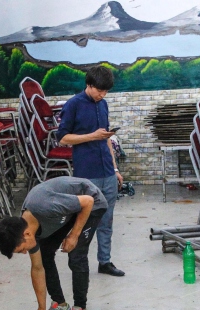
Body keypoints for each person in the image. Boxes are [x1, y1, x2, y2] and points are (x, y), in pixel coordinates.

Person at [0, 177, 107, 310]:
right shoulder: (27, 229)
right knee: (45, 254)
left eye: (22, 250)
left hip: (91, 202)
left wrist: (74, 235)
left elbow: (87, 201)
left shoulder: (45, 207)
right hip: (69, 209)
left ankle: (80, 309)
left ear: (27, 234)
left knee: (76, 255)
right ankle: (60, 306)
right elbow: (37, 268)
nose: (25, 252)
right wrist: (41, 308)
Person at [56, 65, 125, 277]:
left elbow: (106, 139)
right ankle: (78, 264)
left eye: (106, 91)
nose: (102, 95)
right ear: (89, 85)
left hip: (107, 171)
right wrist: (91, 136)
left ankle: (105, 261)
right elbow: (62, 138)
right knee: (83, 221)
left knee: (107, 220)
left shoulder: (103, 104)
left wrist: (115, 168)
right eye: (99, 91)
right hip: (87, 172)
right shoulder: (73, 105)